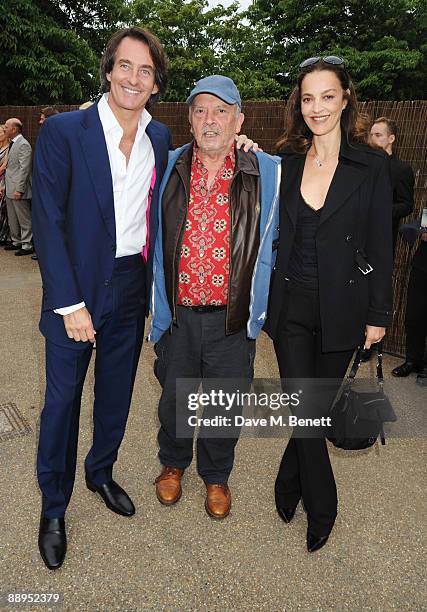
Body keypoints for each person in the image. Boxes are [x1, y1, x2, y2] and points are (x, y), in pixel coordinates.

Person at [32, 26, 171, 571]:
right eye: (125, 67)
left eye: (145, 71)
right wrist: (70, 303)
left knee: (116, 394)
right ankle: (53, 507)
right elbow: (47, 221)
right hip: (76, 289)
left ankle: (101, 472)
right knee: (62, 404)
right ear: (108, 70)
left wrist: (243, 143)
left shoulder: (160, 139)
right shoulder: (66, 131)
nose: (133, 79)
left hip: (129, 285)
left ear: (156, 83)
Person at [266, 56, 393, 552]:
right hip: (292, 304)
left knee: (311, 410)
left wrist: (379, 315)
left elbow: (381, 246)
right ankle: (325, 507)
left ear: (345, 100)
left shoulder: (372, 167)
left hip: (344, 309)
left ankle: (288, 478)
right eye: (307, 97)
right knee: (305, 410)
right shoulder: (288, 163)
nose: (316, 107)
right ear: (299, 105)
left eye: (327, 96)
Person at [149, 76, 281, 520]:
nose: (211, 120)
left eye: (222, 111)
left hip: (232, 319)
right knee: (175, 400)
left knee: (226, 403)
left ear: (238, 120)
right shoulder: (165, 166)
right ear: (189, 120)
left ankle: (217, 475)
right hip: (179, 315)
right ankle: (173, 464)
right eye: (201, 110)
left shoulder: (266, 171)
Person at [369, 117, 414, 253]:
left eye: (378, 135)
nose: (372, 139)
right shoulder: (363, 166)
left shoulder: (402, 169)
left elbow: (407, 205)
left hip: (383, 238)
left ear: (391, 139)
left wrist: (382, 211)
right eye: (371, 135)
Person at [392, 223, 427, 384]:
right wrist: (420, 232)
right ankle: (413, 360)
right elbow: (414, 228)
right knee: (413, 315)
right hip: (422, 263)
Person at [4, 118, 33, 255]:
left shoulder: (23, 144)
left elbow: (24, 169)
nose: (4, 129)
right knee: (12, 217)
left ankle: (27, 244)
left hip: (18, 188)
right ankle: (16, 241)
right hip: (9, 187)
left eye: (6, 126)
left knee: (23, 218)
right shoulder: (12, 143)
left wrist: (19, 189)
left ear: (14, 129)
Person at [0, 124, 11, 244]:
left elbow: (4, 167)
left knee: (2, 209)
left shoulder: (9, 148)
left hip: (3, 180)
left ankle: (4, 235)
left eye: (0, 132)